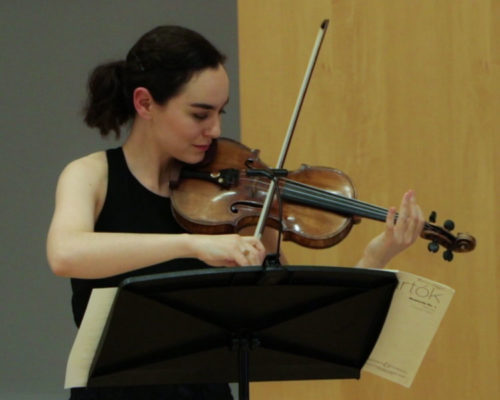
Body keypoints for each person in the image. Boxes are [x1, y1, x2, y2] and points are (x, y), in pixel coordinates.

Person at [47, 25, 424, 400]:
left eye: (220, 112)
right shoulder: (91, 175)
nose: (215, 129)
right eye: (200, 114)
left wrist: (377, 256)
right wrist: (191, 246)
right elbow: (66, 254)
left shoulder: (234, 202)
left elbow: (290, 315)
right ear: (145, 103)